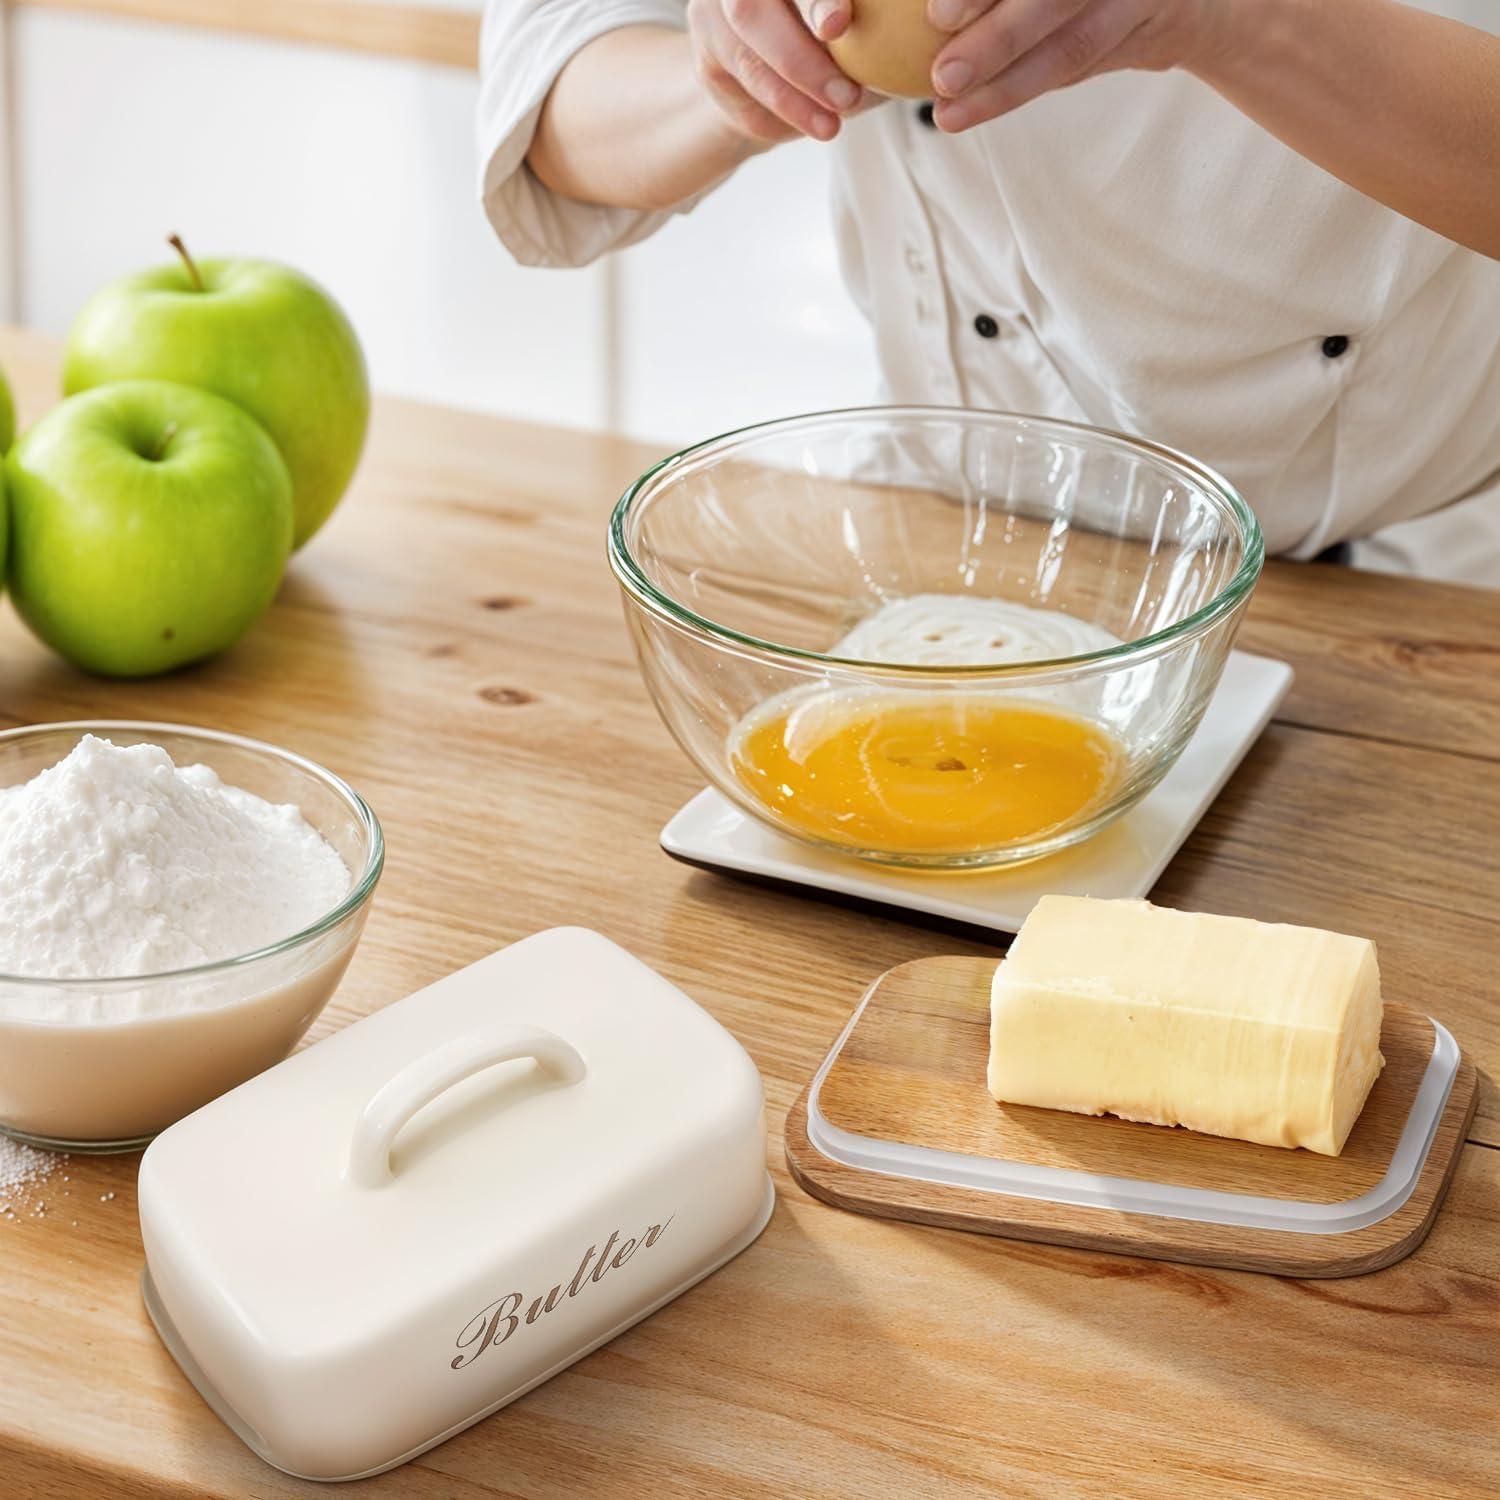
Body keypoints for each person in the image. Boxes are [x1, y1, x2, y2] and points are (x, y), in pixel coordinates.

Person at [477, 1, 1500, 584]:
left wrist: (1229, 21)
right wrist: (748, 78)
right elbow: (559, 113)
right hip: (953, 545)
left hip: (1418, 589)